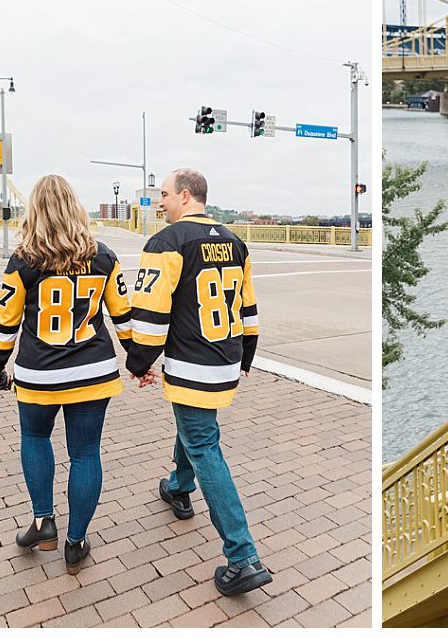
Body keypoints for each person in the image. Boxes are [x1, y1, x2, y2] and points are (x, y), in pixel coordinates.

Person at [126, 168, 272, 597]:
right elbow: (248, 308)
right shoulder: (235, 242)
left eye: (165, 195)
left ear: (186, 196)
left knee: (205, 443)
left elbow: (151, 315)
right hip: (225, 358)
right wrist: (247, 355)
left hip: (192, 363)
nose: (160, 203)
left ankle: (242, 556)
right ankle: (178, 486)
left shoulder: (166, 244)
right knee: (194, 427)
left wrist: (138, 363)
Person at [0, 175, 133, 575]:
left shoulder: (23, 261)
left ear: (35, 212)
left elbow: (6, 321)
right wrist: (137, 359)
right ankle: (76, 542)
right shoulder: (103, 256)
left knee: (35, 437)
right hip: (94, 372)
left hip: (39, 374)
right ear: (75, 208)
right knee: (85, 454)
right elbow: (123, 315)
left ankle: (42, 521)